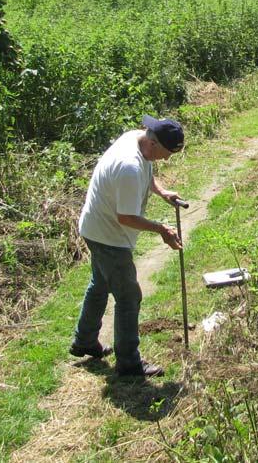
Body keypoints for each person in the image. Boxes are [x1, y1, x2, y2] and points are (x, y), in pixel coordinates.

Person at [70, 115, 185, 377]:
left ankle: (84, 341)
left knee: (100, 284)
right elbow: (126, 218)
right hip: (107, 236)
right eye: (167, 153)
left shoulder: (137, 138)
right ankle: (129, 363)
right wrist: (162, 230)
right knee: (128, 296)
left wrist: (161, 191)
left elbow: (148, 172)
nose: (167, 159)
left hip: (94, 227)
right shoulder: (128, 167)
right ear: (154, 144)